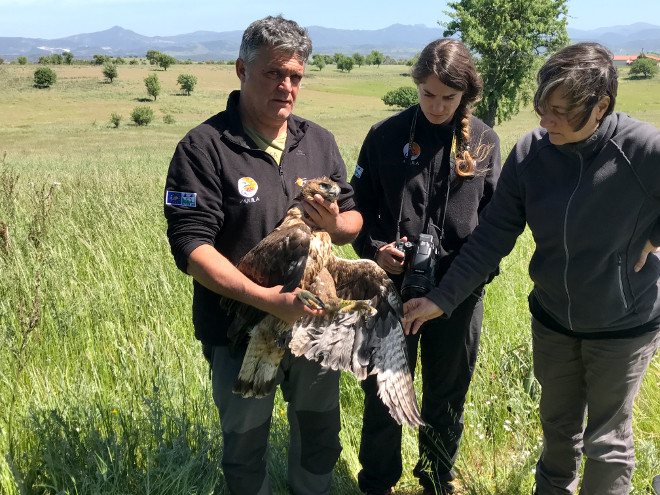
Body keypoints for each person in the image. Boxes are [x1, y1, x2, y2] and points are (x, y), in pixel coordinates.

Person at [402, 42, 660, 495]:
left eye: (561, 111)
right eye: (543, 108)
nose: (546, 122)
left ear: (601, 106)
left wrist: (655, 237)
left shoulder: (642, 150)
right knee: (559, 432)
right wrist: (442, 300)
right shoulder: (531, 153)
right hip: (554, 321)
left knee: (607, 443)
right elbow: (493, 236)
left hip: (624, 325)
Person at [163, 15, 362, 495]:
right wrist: (266, 300)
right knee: (245, 445)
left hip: (315, 329)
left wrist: (335, 223)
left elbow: (354, 221)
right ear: (241, 70)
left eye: (295, 76)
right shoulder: (204, 148)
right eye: (274, 73)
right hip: (240, 332)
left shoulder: (318, 141)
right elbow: (192, 248)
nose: (287, 86)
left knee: (319, 437)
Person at [350, 39, 501, 495]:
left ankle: (437, 479)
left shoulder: (484, 142)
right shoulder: (385, 136)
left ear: (466, 96)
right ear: (415, 86)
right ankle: (377, 483)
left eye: (448, 98)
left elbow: (495, 228)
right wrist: (374, 249)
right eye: (427, 95)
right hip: (389, 292)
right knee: (384, 394)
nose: (437, 106)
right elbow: (357, 206)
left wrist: (455, 288)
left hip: (457, 293)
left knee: (446, 395)